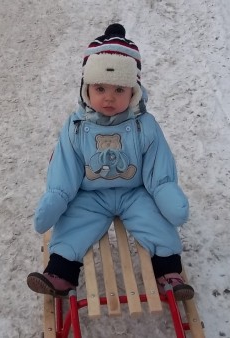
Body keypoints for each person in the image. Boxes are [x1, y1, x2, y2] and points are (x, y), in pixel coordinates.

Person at [26, 23, 194, 301]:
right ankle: (60, 273)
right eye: (100, 88)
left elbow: (158, 163)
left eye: (119, 90)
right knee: (73, 224)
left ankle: (169, 274)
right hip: (90, 195)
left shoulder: (145, 125)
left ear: (134, 92)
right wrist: (57, 195)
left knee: (157, 223)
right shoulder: (76, 127)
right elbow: (66, 166)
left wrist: (165, 190)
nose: (108, 98)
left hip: (135, 192)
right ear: (86, 88)